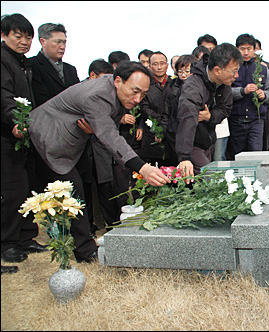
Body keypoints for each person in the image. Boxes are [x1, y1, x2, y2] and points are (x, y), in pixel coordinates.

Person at [28, 61, 169, 263]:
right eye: (135, 91)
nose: (138, 99)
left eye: (143, 94)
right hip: (50, 138)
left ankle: (81, 240)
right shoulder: (98, 95)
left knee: (80, 189)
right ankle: (84, 250)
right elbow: (108, 134)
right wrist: (142, 167)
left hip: (76, 142)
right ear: (118, 81)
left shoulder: (112, 88)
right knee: (71, 191)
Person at [1, 13, 46, 274]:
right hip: (8, 134)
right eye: (18, 36)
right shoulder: (3, 60)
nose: (24, 41)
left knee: (29, 187)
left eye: (28, 37)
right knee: (12, 191)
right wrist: (13, 121)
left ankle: (26, 236)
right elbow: (4, 96)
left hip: (25, 134)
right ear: (5, 35)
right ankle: (8, 242)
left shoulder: (23, 63)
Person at [176, 43, 243, 180]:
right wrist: (184, 157)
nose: (236, 75)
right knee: (213, 179)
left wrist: (210, 116)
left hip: (207, 140)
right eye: (233, 71)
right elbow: (187, 119)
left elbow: (225, 109)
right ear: (217, 70)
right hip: (190, 144)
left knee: (205, 186)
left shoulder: (225, 84)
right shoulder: (194, 86)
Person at [79, 59, 119, 236]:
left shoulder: (109, 94)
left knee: (106, 188)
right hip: (81, 150)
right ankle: (87, 228)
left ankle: (113, 226)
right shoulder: (78, 92)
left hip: (101, 148)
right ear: (92, 75)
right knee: (84, 191)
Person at [227, 34, 269, 159]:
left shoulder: (263, 70)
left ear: (255, 50)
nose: (246, 52)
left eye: (249, 49)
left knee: (256, 155)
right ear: (236, 49)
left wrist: (264, 95)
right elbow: (225, 92)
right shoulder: (231, 69)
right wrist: (243, 91)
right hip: (236, 120)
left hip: (256, 120)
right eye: (242, 49)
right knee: (237, 156)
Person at [29, 23, 80, 108]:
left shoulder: (70, 69)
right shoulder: (32, 65)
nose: (62, 47)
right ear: (43, 42)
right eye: (58, 42)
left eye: (64, 42)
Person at [139, 51, 172, 167]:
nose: (159, 67)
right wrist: (159, 120)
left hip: (171, 133)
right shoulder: (145, 85)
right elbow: (143, 107)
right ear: (150, 66)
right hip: (151, 133)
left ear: (167, 65)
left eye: (162, 63)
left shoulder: (174, 84)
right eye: (155, 64)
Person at [165, 54, 197, 166]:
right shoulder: (172, 86)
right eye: (180, 71)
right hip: (175, 129)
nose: (183, 75)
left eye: (187, 71)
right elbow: (167, 110)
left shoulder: (198, 87)